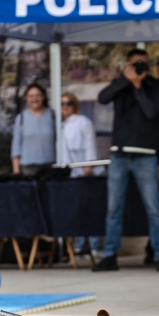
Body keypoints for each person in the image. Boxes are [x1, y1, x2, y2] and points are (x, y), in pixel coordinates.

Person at [93, 48, 159, 273]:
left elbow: (150, 111)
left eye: (143, 64)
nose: (140, 68)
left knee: (153, 206)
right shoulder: (121, 83)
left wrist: (138, 85)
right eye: (136, 63)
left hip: (145, 155)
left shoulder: (155, 87)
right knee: (113, 209)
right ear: (127, 64)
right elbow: (102, 97)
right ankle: (110, 255)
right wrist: (126, 81)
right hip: (119, 154)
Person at [58, 92, 104, 260]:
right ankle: (78, 247)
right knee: (75, 210)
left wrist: (88, 165)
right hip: (68, 175)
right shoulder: (60, 124)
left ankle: (95, 246)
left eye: (68, 102)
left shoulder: (83, 122)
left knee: (89, 209)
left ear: (74, 104)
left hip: (84, 173)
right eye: (61, 103)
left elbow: (90, 144)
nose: (65, 106)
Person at [11, 82, 56, 172]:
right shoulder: (21, 118)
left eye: (38, 95)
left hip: (50, 165)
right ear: (27, 98)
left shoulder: (52, 115)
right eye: (31, 96)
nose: (34, 99)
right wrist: (16, 171)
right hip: (28, 167)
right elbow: (16, 145)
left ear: (43, 96)